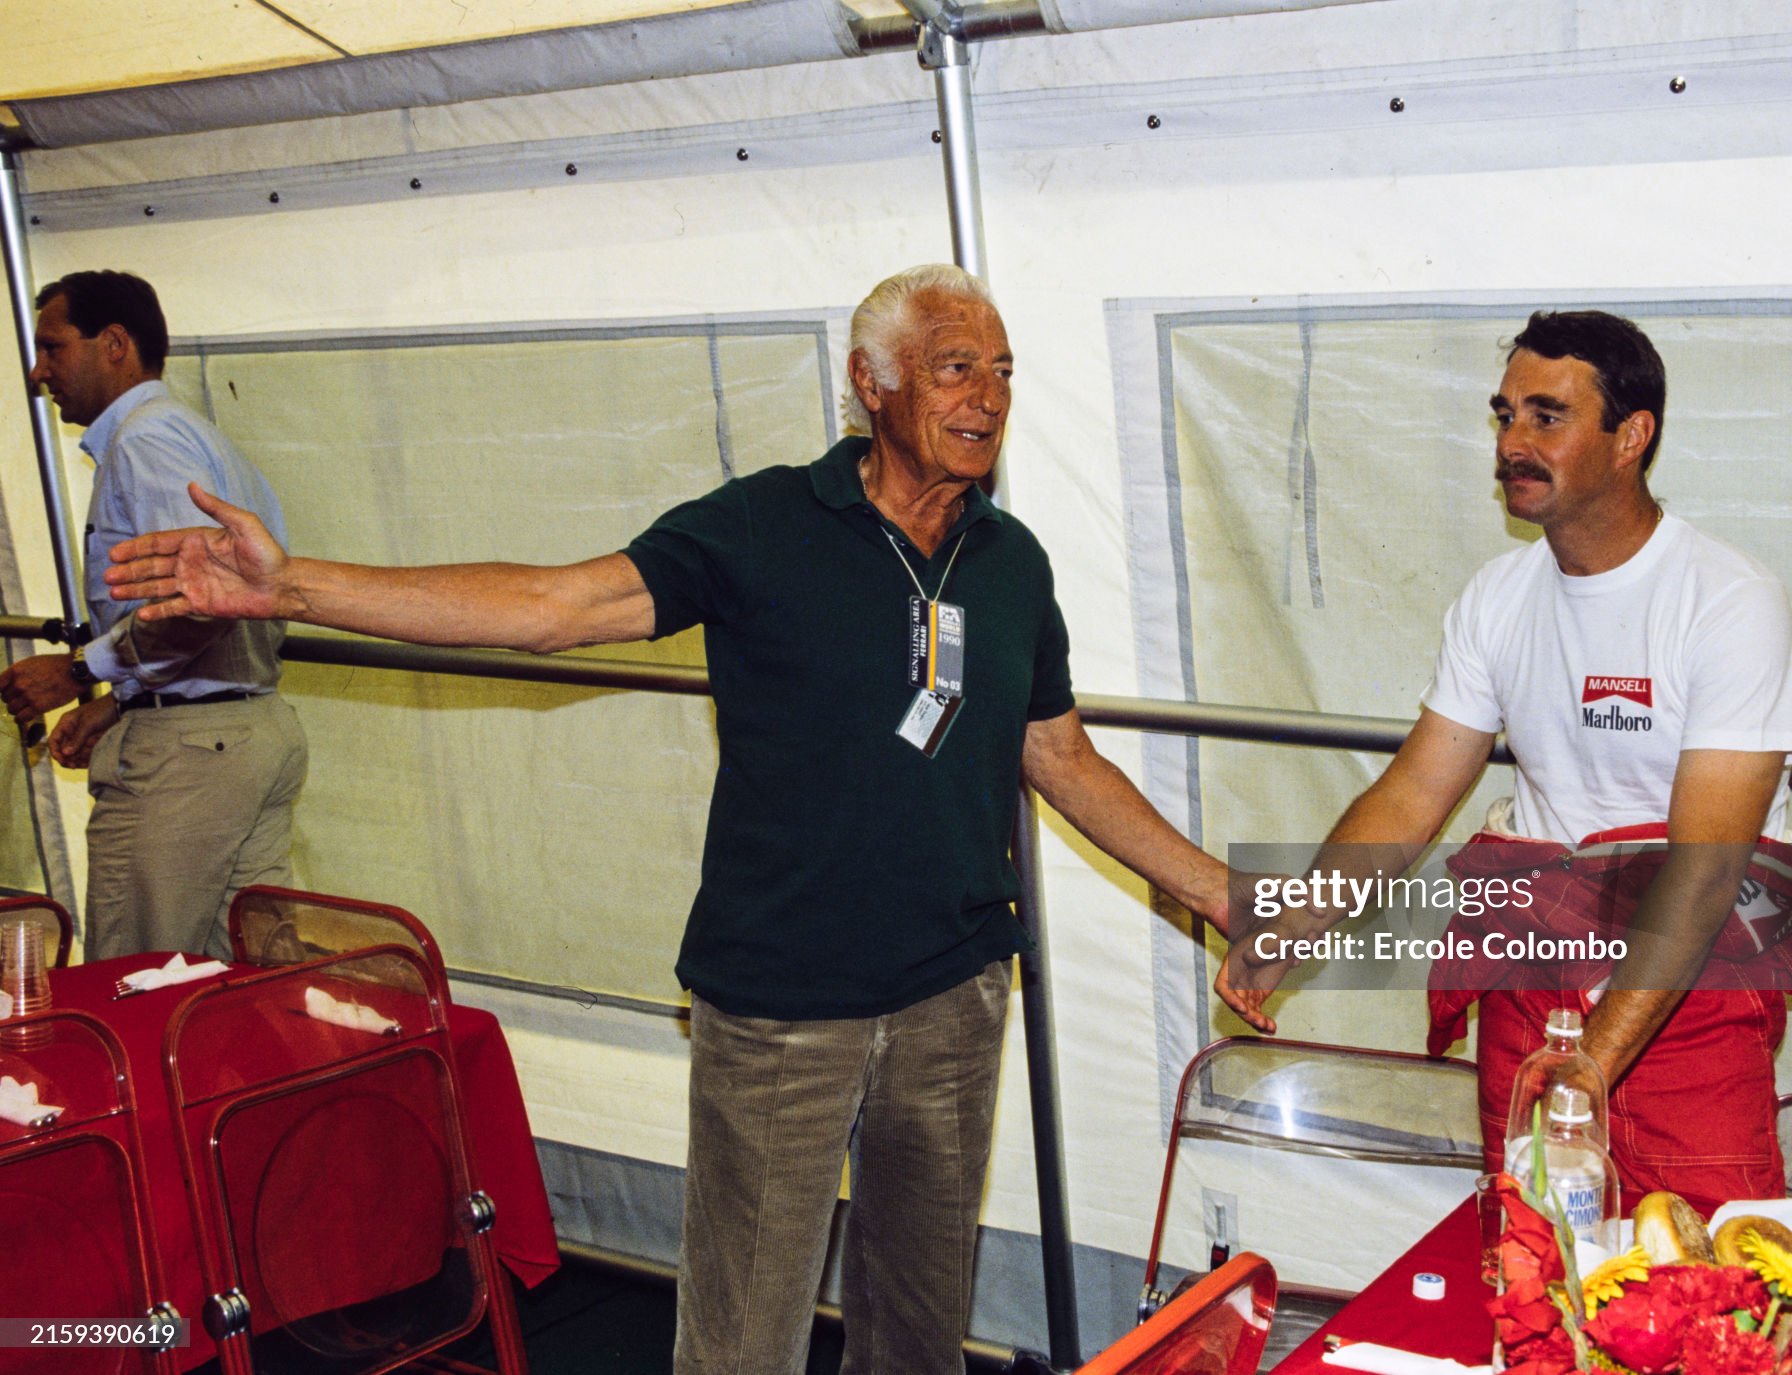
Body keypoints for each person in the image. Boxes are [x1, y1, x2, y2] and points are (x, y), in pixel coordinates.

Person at [105, 264, 1230, 1375]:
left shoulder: (1010, 560)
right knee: (742, 1338)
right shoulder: (762, 525)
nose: (985, 396)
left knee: (918, 1335)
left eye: (1000, 372)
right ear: (870, 383)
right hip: (783, 1006)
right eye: (952, 369)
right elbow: (553, 606)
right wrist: (295, 586)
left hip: (953, 994)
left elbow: (1059, 752)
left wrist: (1223, 893)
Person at [1220, 310, 1792, 1201]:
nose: (1513, 442)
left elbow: (1706, 872)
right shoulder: (1498, 597)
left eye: (1547, 417)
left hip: (1683, 1004)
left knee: (1705, 1288)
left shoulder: (1727, 600)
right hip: (1531, 985)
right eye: (1504, 415)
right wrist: (1293, 925)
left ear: (1632, 437)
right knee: (1530, 1266)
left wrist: (1597, 1062)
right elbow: (1413, 792)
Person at [0, 270, 305, 961]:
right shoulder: (190, 435)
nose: (37, 369)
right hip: (242, 732)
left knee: (134, 979)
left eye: (52, 347)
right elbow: (221, 610)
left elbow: (200, 605)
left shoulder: (144, 442)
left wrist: (79, 671)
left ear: (114, 344)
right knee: (244, 983)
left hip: (189, 760)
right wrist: (118, 705)